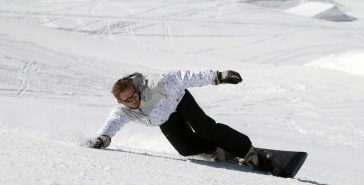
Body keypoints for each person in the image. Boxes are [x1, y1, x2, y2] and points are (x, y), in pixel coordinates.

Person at [88, 70, 270, 171]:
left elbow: (183, 78)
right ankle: (216, 150)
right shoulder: (123, 111)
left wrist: (217, 77)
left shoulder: (155, 85)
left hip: (180, 101)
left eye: (134, 95)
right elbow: (112, 123)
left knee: (205, 129)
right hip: (165, 118)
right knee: (185, 149)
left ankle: (248, 151)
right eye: (128, 100)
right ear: (120, 101)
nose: (133, 100)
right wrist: (103, 138)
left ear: (136, 88)